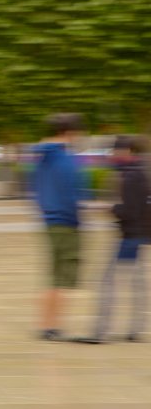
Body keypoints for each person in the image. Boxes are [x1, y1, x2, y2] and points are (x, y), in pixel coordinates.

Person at [75, 135, 150, 344]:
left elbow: (130, 210)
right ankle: (136, 328)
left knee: (107, 280)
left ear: (129, 152)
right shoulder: (135, 173)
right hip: (136, 234)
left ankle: (101, 332)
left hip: (130, 235)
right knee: (136, 282)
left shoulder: (132, 176)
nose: (115, 154)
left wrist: (108, 208)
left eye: (118, 151)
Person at [32, 113, 86, 341]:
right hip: (65, 222)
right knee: (59, 279)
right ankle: (51, 327)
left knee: (54, 277)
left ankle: (48, 325)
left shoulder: (43, 157)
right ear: (70, 133)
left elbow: (35, 190)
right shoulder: (65, 159)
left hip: (49, 221)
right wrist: (76, 221)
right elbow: (71, 195)